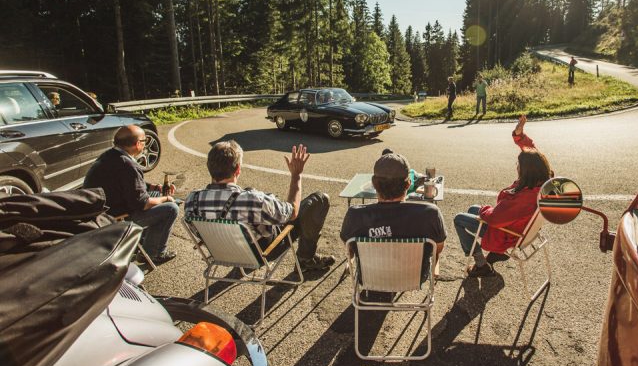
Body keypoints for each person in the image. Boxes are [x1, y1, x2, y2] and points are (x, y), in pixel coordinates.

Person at [186, 140, 335, 272]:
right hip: (258, 254)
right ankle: (305, 259)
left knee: (249, 191)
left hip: (222, 252)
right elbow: (293, 211)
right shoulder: (252, 200)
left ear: (209, 167)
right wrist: (296, 175)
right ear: (238, 169)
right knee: (319, 199)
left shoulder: (192, 200)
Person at [452, 115, 553, 277]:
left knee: (459, 219)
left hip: (507, 234)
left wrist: (484, 210)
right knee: (472, 208)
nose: (517, 166)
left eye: (518, 164)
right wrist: (520, 136)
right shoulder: (544, 182)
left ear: (525, 170)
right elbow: (535, 157)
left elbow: (494, 219)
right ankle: (494, 255)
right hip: (522, 228)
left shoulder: (522, 198)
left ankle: (481, 264)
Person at [84, 125, 179, 264]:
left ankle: (141, 241)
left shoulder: (110, 156)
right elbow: (142, 204)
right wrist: (166, 198)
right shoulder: (128, 165)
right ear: (137, 144)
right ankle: (154, 253)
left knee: (154, 195)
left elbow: (127, 182)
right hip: (116, 217)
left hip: (100, 211)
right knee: (171, 208)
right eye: (144, 140)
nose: (145, 143)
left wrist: (153, 187)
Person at [340, 151, 446, 269]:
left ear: (374, 184)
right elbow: (438, 248)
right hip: (412, 276)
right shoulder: (430, 214)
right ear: (408, 184)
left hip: (372, 276)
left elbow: (350, 249)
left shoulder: (355, 215)